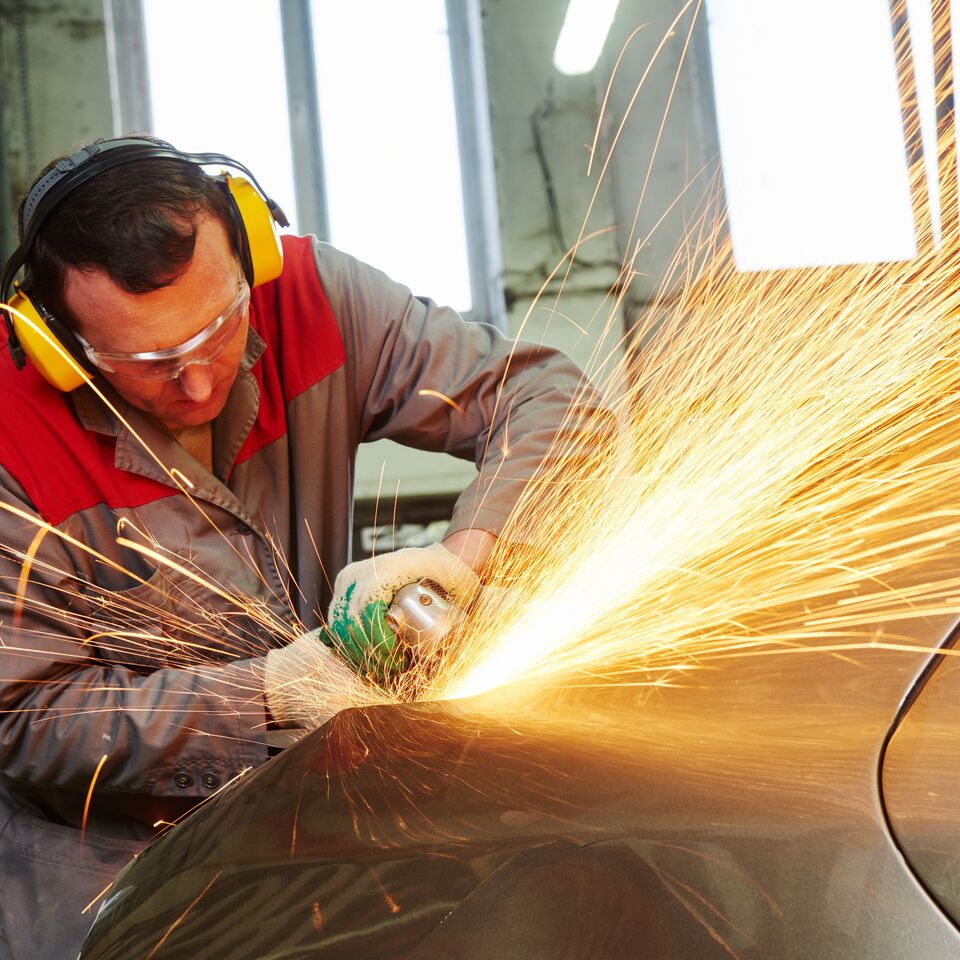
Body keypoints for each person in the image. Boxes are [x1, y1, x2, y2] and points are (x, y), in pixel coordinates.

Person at [0, 137, 605, 959]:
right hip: (98, 881)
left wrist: (465, 559)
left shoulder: (306, 294)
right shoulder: (10, 433)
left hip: (310, 829)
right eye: (149, 363)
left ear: (249, 256)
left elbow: (546, 397)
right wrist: (271, 693)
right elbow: (27, 719)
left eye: (219, 328)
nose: (202, 384)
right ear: (57, 346)